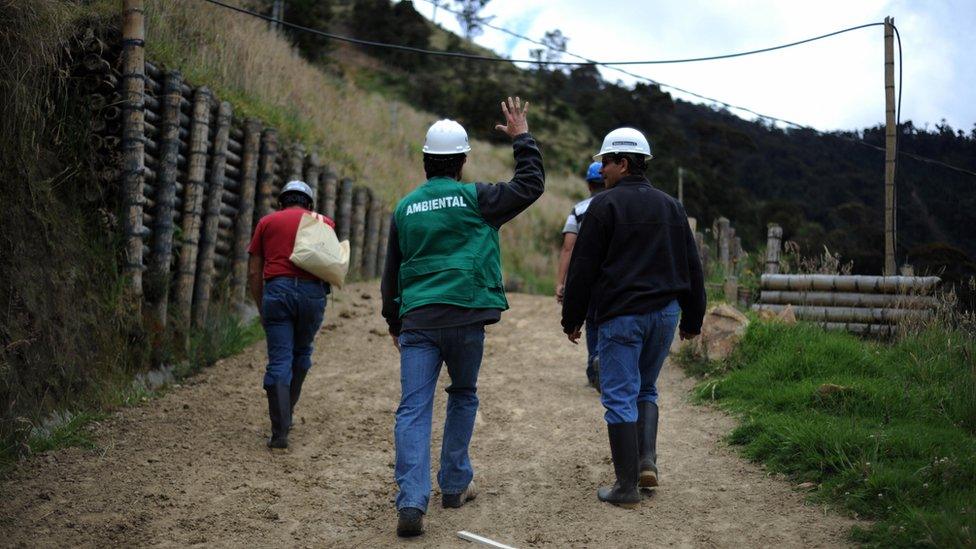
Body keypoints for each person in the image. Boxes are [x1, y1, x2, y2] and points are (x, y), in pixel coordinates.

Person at [381, 97, 543, 537]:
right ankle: (453, 486)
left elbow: (391, 273)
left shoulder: (405, 208)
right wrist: (521, 138)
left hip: (418, 321)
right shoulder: (479, 198)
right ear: (463, 161)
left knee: (413, 409)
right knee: (463, 393)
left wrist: (394, 322)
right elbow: (530, 186)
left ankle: (412, 503)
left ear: (425, 161)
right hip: (468, 315)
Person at [560, 127, 706, 508]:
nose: (601, 171)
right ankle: (645, 463)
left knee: (620, 396)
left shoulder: (603, 208)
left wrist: (572, 318)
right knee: (646, 389)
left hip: (621, 316)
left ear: (623, 163)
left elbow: (584, 269)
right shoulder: (672, 207)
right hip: (664, 316)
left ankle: (625, 488)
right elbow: (692, 267)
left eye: (604, 163)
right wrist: (692, 320)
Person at [247, 180, 333, 449]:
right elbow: (330, 265)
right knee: (302, 353)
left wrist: (262, 306)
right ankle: (288, 414)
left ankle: (279, 430)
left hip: (277, 291)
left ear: (282, 202)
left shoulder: (266, 223)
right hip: (311, 294)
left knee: (279, 359)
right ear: (309, 203)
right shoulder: (324, 223)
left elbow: (253, 272)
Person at [556, 161, 606, 391]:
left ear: (588, 184)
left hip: (588, 278)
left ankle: (593, 365)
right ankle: (606, 363)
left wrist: (561, 282)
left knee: (592, 321)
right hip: (614, 277)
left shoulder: (579, 209)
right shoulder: (618, 205)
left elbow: (568, 248)